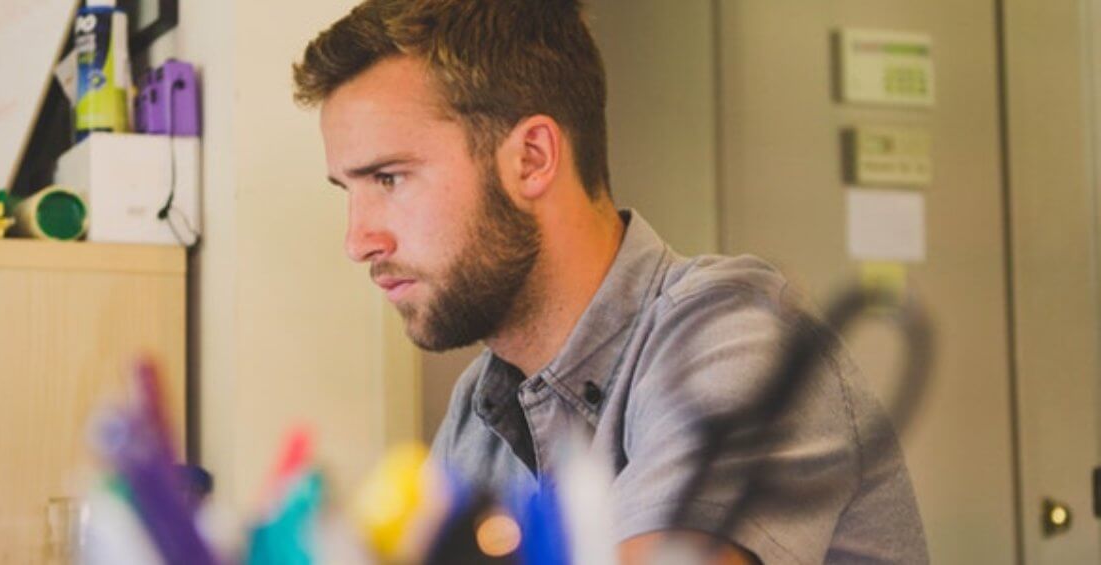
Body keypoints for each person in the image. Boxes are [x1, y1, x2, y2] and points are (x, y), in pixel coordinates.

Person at [293, 0, 927, 562]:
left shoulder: (739, 334)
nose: (358, 241)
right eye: (348, 190)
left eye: (389, 179)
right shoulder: (479, 409)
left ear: (532, 158)